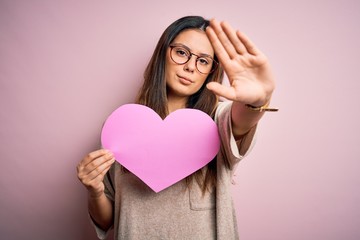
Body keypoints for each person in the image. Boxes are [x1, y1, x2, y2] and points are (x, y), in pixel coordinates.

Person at [77, 15, 277, 240]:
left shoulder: (218, 120)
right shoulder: (121, 125)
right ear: (163, 54)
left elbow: (242, 120)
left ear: (212, 70)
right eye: (182, 52)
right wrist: (94, 190)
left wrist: (258, 101)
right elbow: (107, 220)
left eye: (203, 61)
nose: (190, 67)